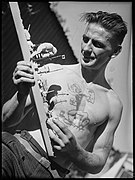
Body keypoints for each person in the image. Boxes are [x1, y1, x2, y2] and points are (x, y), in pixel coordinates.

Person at [2, 11, 127, 178]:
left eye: (97, 44)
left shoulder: (113, 104)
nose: (87, 48)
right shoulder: (54, 70)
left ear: (116, 51)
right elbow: (5, 119)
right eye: (85, 39)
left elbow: (98, 162)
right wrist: (21, 94)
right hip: (14, 151)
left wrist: (75, 151)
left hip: (49, 173)